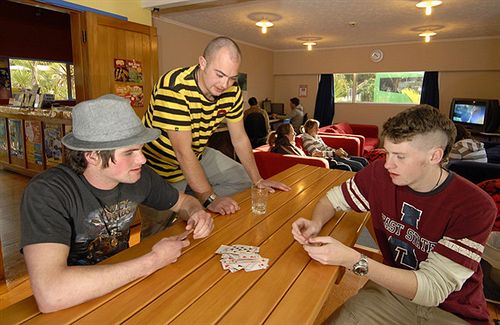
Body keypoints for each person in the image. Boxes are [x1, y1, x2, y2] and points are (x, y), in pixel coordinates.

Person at [291, 105, 496, 324]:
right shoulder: (379, 173)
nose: (388, 164)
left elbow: (432, 290)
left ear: (434, 156)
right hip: (392, 293)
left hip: (453, 311)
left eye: (400, 156)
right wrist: (316, 222)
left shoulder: (475, 206)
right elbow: (332, 199)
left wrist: (353, 260)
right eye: (387, 152)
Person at [20, 95, 214, 313]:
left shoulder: (139, 177)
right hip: (72, 304)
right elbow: (51, 295)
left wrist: (198, 213)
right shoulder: (48, 192)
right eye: (129, 152)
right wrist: (153, 261)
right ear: (92, 156)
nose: (142, 159)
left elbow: (184, 202)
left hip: (125, 286)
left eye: (140, 149)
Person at [142, 36, 290, 237]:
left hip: (199, 154)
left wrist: (257, 179)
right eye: (219, 75)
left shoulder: (232, 91)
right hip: (160, 166)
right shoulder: (174, 88)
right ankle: (198, 200)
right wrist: (210, 198)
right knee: (158, 232)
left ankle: (198, 203)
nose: (224, 84)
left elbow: (239, 138)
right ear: (202, 63)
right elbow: (182, 153)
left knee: (242, 179)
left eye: (231, 78)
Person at [268, 123, 351, 171]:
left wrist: (312, 156)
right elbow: (300, 161)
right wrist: (313, 158)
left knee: (347, 165)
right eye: (293, 133)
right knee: (345, 167)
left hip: (315, 162)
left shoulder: (289, 145)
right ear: (286, 136)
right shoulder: (285, 148)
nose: (295, 135)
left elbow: (302, 159)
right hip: (312, 167)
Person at [301, 118, 368, 171]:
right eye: (316, 128)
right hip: (330, 158)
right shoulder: (307, 141)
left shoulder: (316, 137)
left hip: (334, 155)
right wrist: (334, 153)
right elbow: (316, 153)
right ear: (309, 129)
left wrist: (338, 151)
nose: (318, 129)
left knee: (363, 160)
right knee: (358, 166)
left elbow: (326, 147)